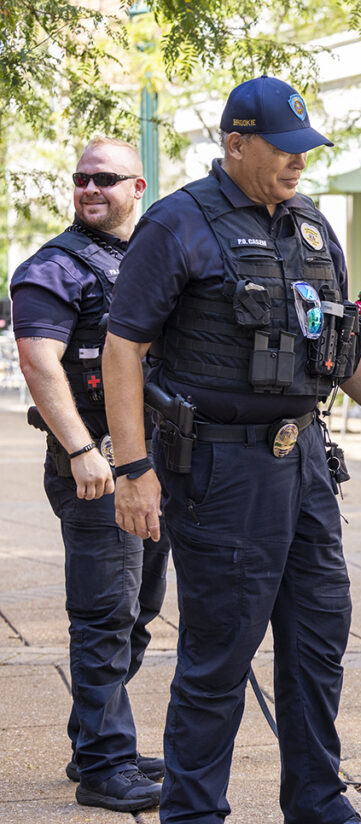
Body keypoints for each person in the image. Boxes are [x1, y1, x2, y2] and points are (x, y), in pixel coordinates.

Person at [101, 76, 361, 824]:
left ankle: (317, 803)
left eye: (305, 150)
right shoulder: (179, 223)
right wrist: (132, 470)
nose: (298, 163)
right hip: (220, 470)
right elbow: (123, 347)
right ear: (235, 144)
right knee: (220, 656)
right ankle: (193, 813)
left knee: (319, 640)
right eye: (284, 150)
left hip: (306, 463)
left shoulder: (312, 226)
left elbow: (339, 347)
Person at [10, 137, 169, 812]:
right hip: (95, 467)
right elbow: (40, 364)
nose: (89, 189)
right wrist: (81, 451)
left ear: (138, 188)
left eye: (104, 179)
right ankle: (106, 764)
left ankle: (93, 741)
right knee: (105, 615)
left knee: (139, 612)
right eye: (80, 179)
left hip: (154, 466)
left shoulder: (152, 259)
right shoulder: (51, 268)